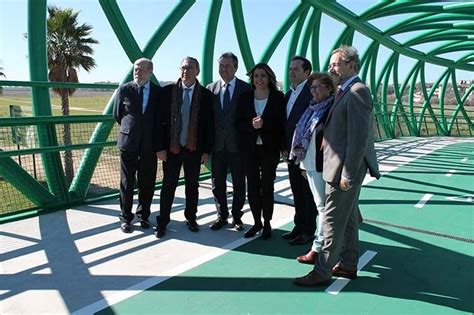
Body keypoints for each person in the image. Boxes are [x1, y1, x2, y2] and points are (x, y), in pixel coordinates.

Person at [294, 46, 380, 286]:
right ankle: (349, 264)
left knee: (331, 220)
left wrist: (348, 174)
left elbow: (358, 138)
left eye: (335, 64)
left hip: (343, 170)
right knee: (349, 218)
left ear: (351, 65)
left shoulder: (357, 91)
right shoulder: (346, 90)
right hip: (338, 167)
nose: (331, 68)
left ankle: (322, 271)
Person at [155, 57, 214, 238]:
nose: (185, 71)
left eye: (189, 68)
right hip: (171, 149)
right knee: (168, 185)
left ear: (197, 71)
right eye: (182, 68)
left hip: (194, 149)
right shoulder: (167, 92)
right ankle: (163, 221)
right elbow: (158, 122)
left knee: (192, 186)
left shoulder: (206, 95)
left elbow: (209, 125)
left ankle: (191, 218)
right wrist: (160, 148)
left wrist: (207, 151)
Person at [289, 73, 336, 264]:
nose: (314, 91)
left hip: (322, 166)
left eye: (318, 87)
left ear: (329, 88)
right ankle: (328, 245)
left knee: (323, 207)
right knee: (322, 206)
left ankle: (319, 248)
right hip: (309, 165)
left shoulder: (330, 109)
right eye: (312, 88)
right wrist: (302, 163)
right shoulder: (313, 109)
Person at [236, 63, 285, 240]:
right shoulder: (245, 97)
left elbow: (282, 125)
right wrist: (251, 125)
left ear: (269, 78)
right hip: (249, 149)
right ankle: (257, 222)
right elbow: (238, 123)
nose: (259, 79)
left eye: (263, 76)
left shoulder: (278, 97)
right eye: (256, 76)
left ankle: (267, 222)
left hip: (269, 149)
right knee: (253, 186)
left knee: (267, 186)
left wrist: (264, 126)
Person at [113, 58, 161, 233]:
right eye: (135, 69)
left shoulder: (158, 92)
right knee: (127, 182)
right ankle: (126, 218)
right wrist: (131, 131)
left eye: (141, 69)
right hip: (128, 143)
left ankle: (143, 216)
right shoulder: (125, 89)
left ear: (150, 72)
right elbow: (118, 115)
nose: (137, 72)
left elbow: (159, 119)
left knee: (147, 182)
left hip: (149, 144)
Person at [206, 52, 252, 231]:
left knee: (240, 182)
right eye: (221, 66)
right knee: (217, 183)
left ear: (235, 68)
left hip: (238, 145)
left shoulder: (246, 89)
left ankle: (237, 216)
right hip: (217, 145)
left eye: (227, 66)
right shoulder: (211, 88)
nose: (223, 69)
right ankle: (221, 215)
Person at [282, 56, 318, 245]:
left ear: (306, 73)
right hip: (291, 152)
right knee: (296, 189)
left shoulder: (311, 93)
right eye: (290, 69)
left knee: (307, 192)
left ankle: (308, 230)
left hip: (306, 152)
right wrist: (284, 147)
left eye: (296, 69)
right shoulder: (288, 94)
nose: (292, 72)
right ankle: (299, 225)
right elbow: (285, 123)